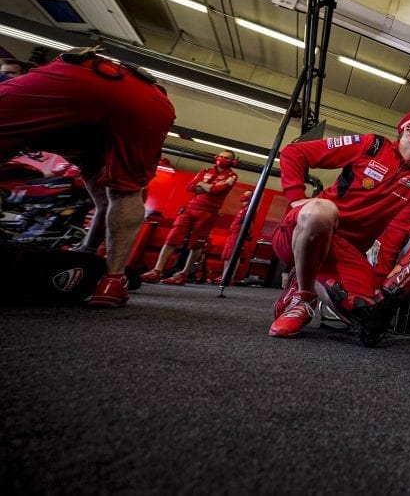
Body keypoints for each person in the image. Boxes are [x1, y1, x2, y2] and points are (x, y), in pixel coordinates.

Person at [269, 108, 410, 342]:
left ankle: (302, 280)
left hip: (346, 252)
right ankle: (303, 297)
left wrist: (378, 283)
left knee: (365, 312)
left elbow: (399, 230)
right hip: (303, 231)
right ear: (408, 128)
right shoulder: (372, 145)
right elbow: (294, 152)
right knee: (322, 211)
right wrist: (295, 198)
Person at [0, 46, 176, 306]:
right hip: (152, 101)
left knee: (117, 191)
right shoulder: (74, 133)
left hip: (81, 83)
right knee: (122, 192)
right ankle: (111, 280)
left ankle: (95, 258)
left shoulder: (22, 91)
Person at [139, 150, 238, 285]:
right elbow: (190, 187)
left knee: (197, 244)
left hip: (208, 212)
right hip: (190, 208)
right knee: (172, 237)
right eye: (220, 156)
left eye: (226, 158)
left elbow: (217, 190)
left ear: (232, 161)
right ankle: (157, 270)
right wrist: (208, 187)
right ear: (216, 157)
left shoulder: (232, 175)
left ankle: (183, 274)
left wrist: (203, 186)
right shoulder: (205, 170)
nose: (222, 159)